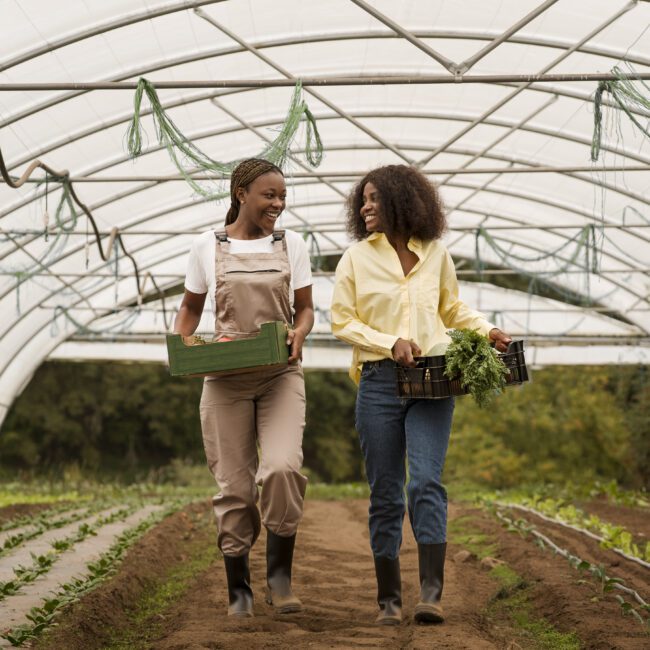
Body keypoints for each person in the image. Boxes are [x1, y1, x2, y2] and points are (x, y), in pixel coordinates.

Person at [330, 164, 511, 626]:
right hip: (379, 382)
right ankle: (389, 601)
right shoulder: (356, 258)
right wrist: (388, 342)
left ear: (401, 200)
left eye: (373, 199)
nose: (364, 206)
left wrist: (487, 329)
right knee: (386, 492)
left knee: (425, 481)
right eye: (362, 200)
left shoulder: (436, 254)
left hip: (433, 381)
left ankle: (431, 594)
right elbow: (341, 321)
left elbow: (451, 307)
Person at [174, 158, 314, 618]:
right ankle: (239, 590)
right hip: (225, 379)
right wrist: (188, 344)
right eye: (269, 195)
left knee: (281, 468)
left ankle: (280, 578)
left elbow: (305, 309)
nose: (278, 204)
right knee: (234, 487)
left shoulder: (291, 243)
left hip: (279, 374)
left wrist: (300, 333)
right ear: (241, 194)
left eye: (282, 196)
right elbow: (190, 310)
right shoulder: (206, 246)